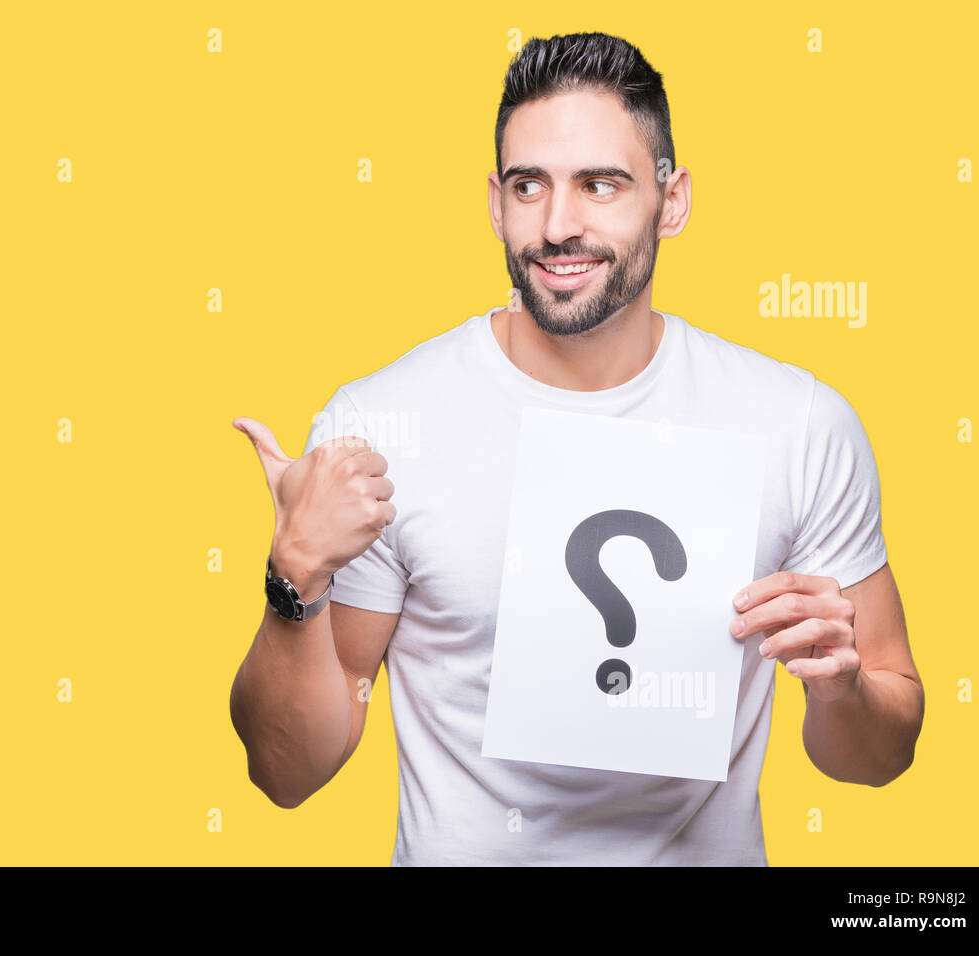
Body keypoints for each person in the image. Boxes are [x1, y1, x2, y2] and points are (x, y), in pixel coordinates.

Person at [229, 31, 924, 865]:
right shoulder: (381, 426)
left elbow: (878, 759)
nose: (559, 226)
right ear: (496, 202)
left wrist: (841, 687)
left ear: (673, 200)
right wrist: (293, 573)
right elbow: (287, 772)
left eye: (601, 184)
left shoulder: (796, 422)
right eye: (531, 186)